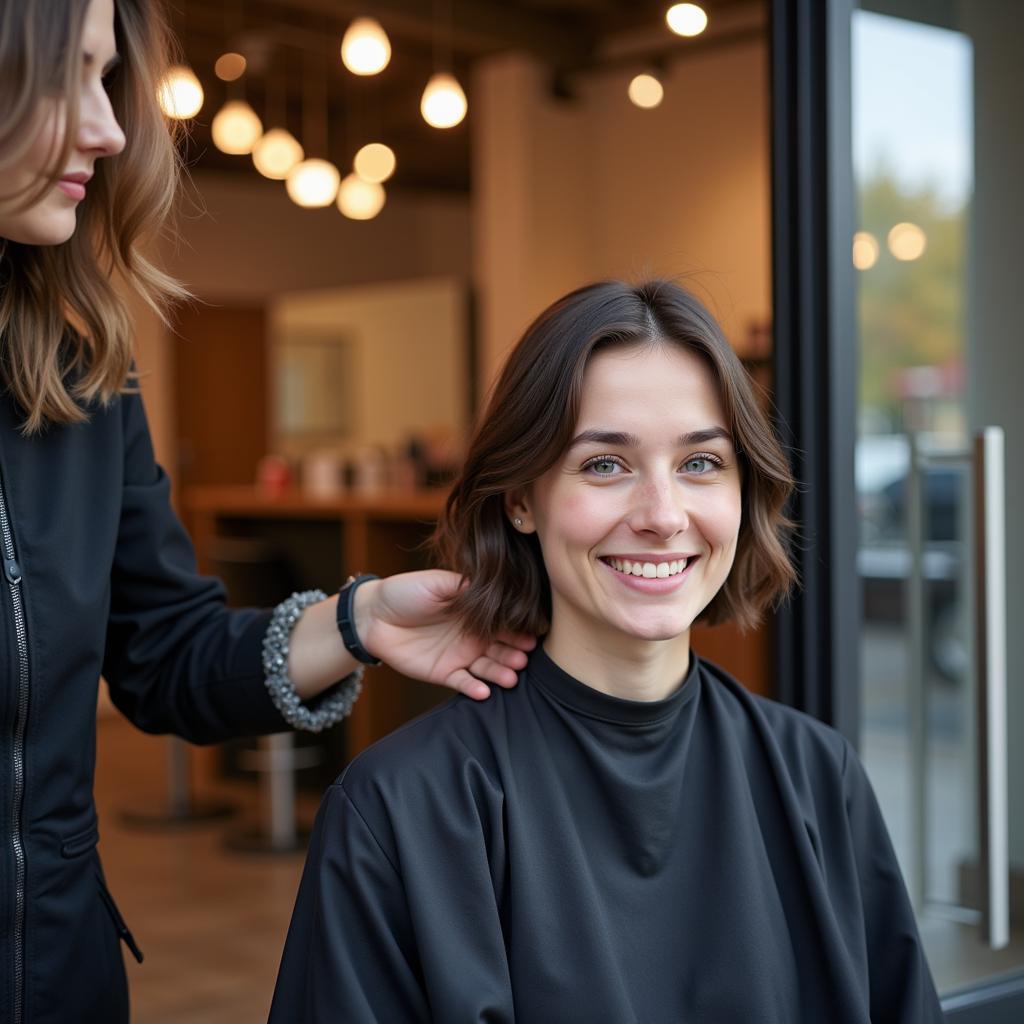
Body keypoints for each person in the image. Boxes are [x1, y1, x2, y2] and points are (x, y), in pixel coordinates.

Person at [0, 1, 535, 1021]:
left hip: (57, 977)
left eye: (109, 81)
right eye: (68, 76)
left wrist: (361, 619)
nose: (109, 129)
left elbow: (165, 656)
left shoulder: (85, 385)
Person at [270, 279, 945, 1023]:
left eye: (700, 464)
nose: (662, 516)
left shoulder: (818, 777)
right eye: (605, 465)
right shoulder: (401, 810)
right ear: (520, 500)